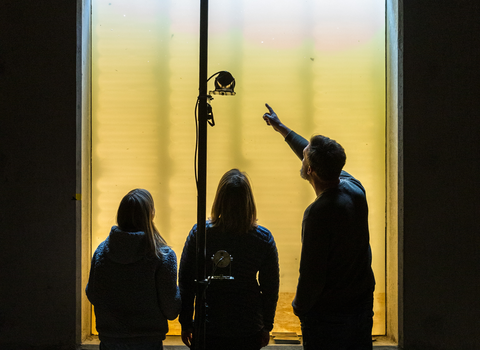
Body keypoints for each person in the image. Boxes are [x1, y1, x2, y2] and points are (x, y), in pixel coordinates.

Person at [262, 104, 376, 350]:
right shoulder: (354, 187)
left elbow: (312, 272)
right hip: (360, 305)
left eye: (305, 158)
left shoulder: (318, 213)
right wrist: (282, 129)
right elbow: (312, 155)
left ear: (310, 169)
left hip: (329, 317)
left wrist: (299, 306)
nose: (302, 158)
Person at [179, 169, 279, 350]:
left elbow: (186, 281)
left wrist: (185, 322)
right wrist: (266, 326)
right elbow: (270, 288)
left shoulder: (200, 233)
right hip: (248, 328)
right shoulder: (263, 238)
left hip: (208, 327)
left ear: (219, 200)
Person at [86, 189, 181, 350]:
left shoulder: (101, 252)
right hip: (148, 340)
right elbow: (171, 308)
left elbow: (93, 294)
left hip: (110, 340)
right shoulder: (163, 256)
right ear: (151, 215)